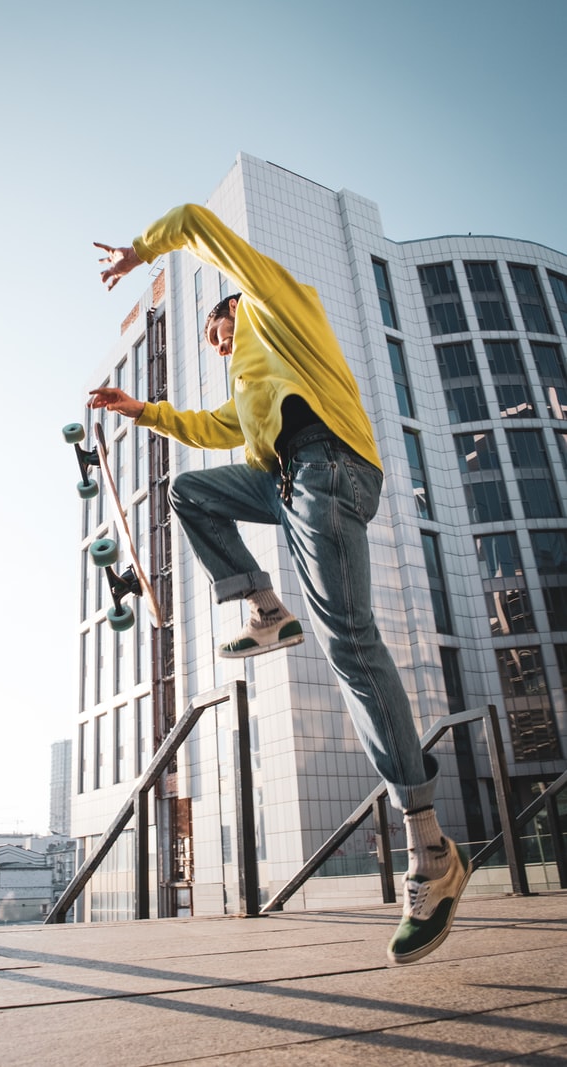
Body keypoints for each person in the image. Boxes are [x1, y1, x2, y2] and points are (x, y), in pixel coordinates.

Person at [88, 202, 471, 965]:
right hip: (289, 481)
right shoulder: (255, 390)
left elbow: (201, 222)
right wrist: (142, 411)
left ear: (236, 308)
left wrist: (141, 250)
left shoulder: (276, 303)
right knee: (190, 494)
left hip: (324, 468)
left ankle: (431, 852)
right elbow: (211, 428)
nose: (218, 344)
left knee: (353, 648)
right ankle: (266, 607)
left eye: (216, 332)